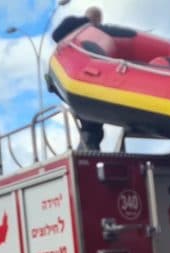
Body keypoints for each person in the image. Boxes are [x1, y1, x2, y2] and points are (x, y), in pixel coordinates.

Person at [51, 6, 105, 151]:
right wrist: (86, 21)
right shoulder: (75, 24)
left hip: (81, 80)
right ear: (96, 18)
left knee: (93, 119)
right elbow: (56, 35)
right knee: (91, 118)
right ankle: (88, 146)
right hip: (72, 78)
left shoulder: (94, 36)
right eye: (98, 21)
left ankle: (88, 145)